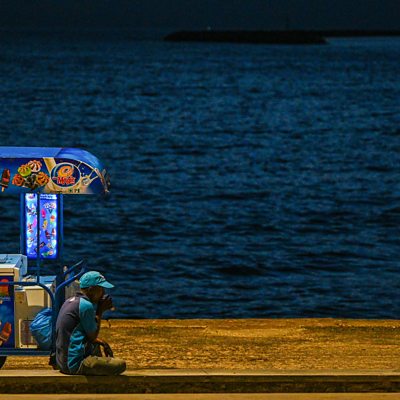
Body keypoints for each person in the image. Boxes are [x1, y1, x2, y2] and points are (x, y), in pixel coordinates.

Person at [55, 271, 126, 375]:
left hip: (62, 362)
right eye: (101, 289)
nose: (103, 293)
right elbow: (93, 336)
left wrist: (102, 342)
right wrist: (100, 310)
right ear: (91, 289)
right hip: (74, 364)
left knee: (96, 346)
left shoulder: (70, 301)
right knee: (121, 364)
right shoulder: (86, 306)